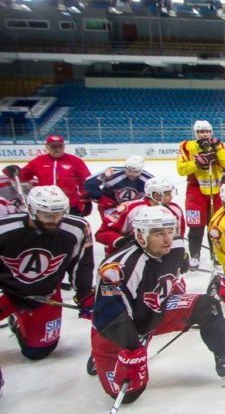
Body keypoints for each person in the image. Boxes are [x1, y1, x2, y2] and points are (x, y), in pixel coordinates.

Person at [91, 206, 225, 404]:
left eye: (170, 231)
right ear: (141, 235)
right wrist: (132, 347)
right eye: (158, 233)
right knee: (129, 394)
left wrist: (182, 262)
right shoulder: (117, 269)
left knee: (207, 305)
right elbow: (109, 318)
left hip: (154, 312)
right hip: (116, 332)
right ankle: (98, 356)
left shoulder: (175, 246)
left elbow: (172, 268)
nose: (167, 239)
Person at [0, 186, 95, 360]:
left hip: (44, 295)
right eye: (47, 215)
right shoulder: (3, 229)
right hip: (6, 292)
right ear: (31, 210)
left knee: (37, 352)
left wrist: (85, 295)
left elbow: (82, 265)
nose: (54, 220)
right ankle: (14, 310)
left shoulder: (77, 229)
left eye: (59, 214)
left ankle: (19, 321)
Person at [176, 120, 225, 270]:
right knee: (196, 227)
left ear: (211, 132)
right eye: (201, 132)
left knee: (215, 226)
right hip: (195, 193)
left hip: (216, 192)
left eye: (207, 131)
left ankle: (216, 255)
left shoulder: (219, 144)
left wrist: (217, 149)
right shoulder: (186, 146)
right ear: (195, 133)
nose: (204, 134)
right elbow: (181, 170)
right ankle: (195, 255)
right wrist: (196, 163)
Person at [2, 134, 92, 216]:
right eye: (54, 147)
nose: (57, 149)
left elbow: (86, 181)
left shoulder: (75, 161)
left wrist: (85, 199)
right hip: (45, 205)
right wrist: (12, 171)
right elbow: (23, 176)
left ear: (64, 146)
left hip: (71, 204)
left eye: (60, 146)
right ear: (47, 147)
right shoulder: (38, 161)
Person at [95, 177, 185, 257]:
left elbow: (178, 237)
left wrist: (179, 255)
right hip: (128, 257)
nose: (171, 197)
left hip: (160, 258)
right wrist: (121, 241)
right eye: (167, 194)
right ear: (155, 195)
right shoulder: (130, 208)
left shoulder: (175, 210)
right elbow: (102, 233)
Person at [84, 155, 152, 214]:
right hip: (110, 206)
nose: (131, 173)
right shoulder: (112, 173)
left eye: (135, 171)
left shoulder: (149, 180)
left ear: (141, 170)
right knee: (111, 225)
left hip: (133, 208)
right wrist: (101, 198)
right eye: (128, 170)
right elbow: (89, 183)